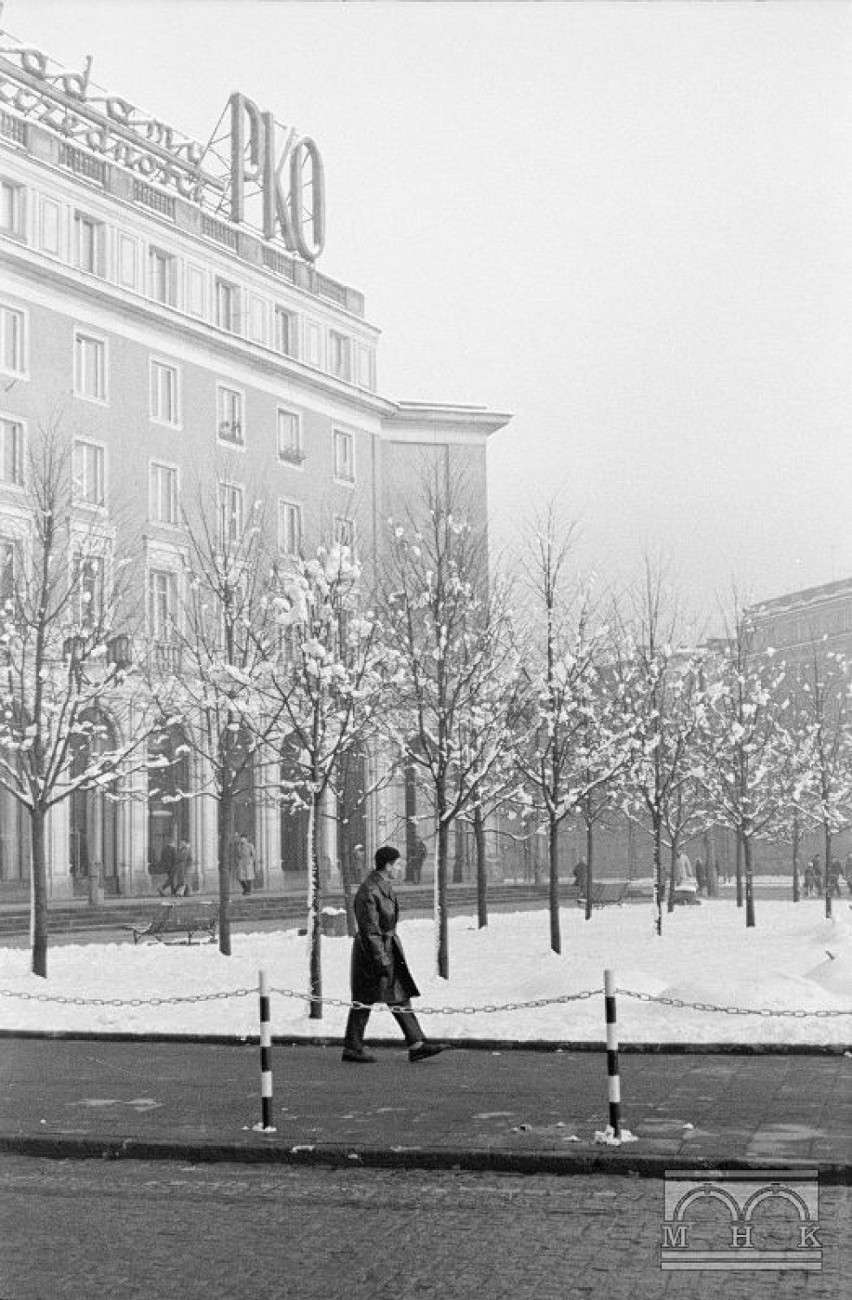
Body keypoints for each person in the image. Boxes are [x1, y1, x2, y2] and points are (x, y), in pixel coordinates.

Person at [342, 845, 443, 1065]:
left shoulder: (381, 886)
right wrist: (382, 959)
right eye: (397, 864)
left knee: (397, 995)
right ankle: (353, 1047)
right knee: (364, 1000)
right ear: (387, 865)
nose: (400, 867)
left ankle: (415, 1044)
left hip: (386, 949)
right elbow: (370, 930)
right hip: (372, 953)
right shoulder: (369, 890)